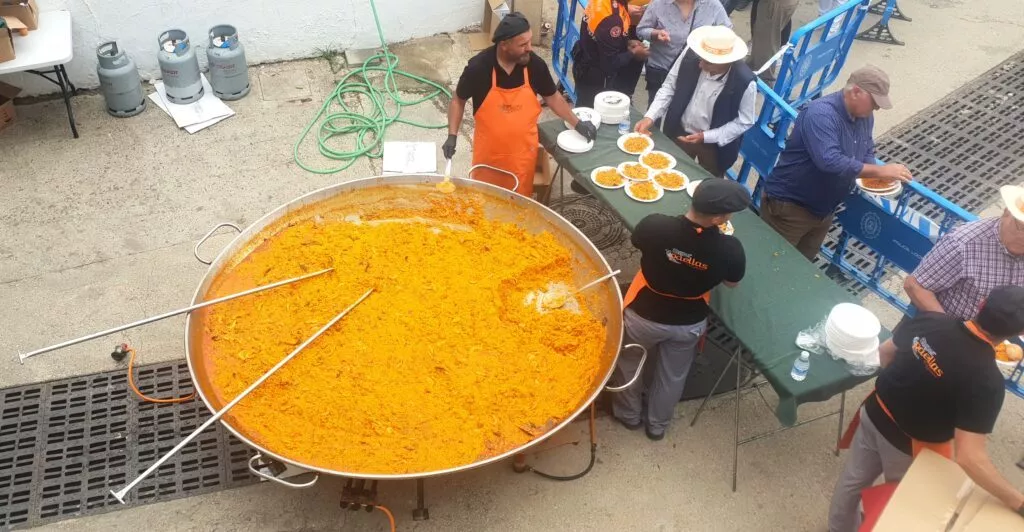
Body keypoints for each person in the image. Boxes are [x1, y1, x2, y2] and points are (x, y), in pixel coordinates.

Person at [828, 285, 1024, 532]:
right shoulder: (987, 381)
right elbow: (970, 457)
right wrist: (1018, 502)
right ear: (1019, 332)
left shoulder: (931, 320)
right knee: (903, 507)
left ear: (982, 303)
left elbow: (885, 354)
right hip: (909, 448)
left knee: (852, 482)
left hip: (874, 411)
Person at [612, 179, 750, 440]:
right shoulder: (730, 249)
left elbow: (637, 241)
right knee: (672, 375)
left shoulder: (655, 225)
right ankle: (657, 425)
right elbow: (732, 283)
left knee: (629, 363)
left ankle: (627, 415)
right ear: (719, 218)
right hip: (688, 322)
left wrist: (676, 257)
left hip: (643, 315)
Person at [760, 65, 912, 260]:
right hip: (790, 209)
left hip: (824, 210)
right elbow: (829, 161)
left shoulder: (865, 115)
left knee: (801, 268)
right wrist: (879, 172)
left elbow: (865, 147)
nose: (877, 108)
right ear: (856, 92)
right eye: (874, 102)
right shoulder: (820, 114)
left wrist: (873, 176)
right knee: (773, 263)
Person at [445, 13, 596, 198]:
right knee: (485, 202)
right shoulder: (479, 68)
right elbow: (457, 101)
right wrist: (452, 135)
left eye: (530, 42)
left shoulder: (535, 66)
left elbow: (553, 97)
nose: (529, 48)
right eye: (523, 45)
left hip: (522, 156)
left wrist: (577, 123)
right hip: (488, 156)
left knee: (518, 203)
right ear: (504, 45)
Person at [634, 26, 755, 178]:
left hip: (714, 145)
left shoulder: (745, 82)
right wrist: (650, 117)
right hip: (679, 133)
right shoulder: (689, 54)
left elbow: (745, 121)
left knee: (708, 184)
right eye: (700, 58)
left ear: (728, 62)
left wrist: (707, 136)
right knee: (669, 175)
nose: (700, 65)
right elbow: (669, 87)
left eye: (708, 63)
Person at [903, 185, 1024, 321]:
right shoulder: (963, 243)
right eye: (1022, 228)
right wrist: (952, 331)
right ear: (1006, 213)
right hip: (941, 328)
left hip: (1003, 332)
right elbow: (915, 286)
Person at [635, 0, 732, 109]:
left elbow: (727, 33)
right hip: (661, 70)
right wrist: (655, 34)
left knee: (686, 112)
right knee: (656, 110)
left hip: (695, 72)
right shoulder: (659, 3)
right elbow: (641, 30)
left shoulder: (712, 5)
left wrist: (710, 44)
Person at [572, 0, 650, 108]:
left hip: (586, 61)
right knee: (591, 114)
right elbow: (610, 63)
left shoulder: (609, 4)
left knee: (584, 107)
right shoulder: (612, 19)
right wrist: (633, 53)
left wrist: (626, 43)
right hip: (596, 77)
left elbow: (601, 38)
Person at [749, 0, 798, 81]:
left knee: (766, 46)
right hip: (780, 5)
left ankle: (763, 81)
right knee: (765, 40)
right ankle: (754, 68)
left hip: (773, 5)